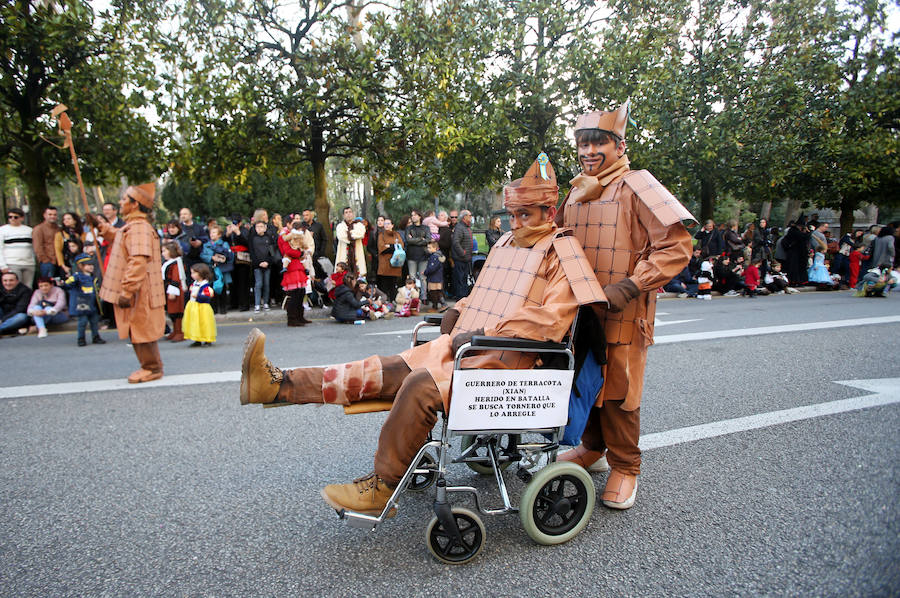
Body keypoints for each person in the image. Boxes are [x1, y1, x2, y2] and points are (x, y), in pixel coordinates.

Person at [238, 155, 606, 515]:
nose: (515, 223)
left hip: (508, 364)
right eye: (512, 215)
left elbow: (549, 322)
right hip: (468, 349)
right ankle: (278, 384)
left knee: (417, 387)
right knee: (382, 370)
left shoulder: (563, 252)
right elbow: (483, 295)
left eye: (524, 215)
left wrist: (482, 331)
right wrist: (458, 310)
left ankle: (382, 485)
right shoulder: (506, 244)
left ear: (550, 213)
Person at [554, 103, 695, 510]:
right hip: (580, 311)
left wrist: (632, 286)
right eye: (583, 143)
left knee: (618, 393)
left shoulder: (638, 185)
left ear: (619, 144)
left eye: (598, 141)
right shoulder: (576, 190)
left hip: (624, 311)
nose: (589, 150)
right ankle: (593, 447)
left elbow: (676, 247)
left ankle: (626, 465)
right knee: (585, 383)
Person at [85, 183, 165, 383]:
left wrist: (127, 291)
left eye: (123, 199)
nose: (120, 203)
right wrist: (99, 225)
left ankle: (152, 368)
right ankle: (150, 367)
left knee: (141, 329)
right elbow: (118, 235)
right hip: (138, 289)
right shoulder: (133, 226)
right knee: (137, 329)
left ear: (135, 204)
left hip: (140, 291)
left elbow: (138, 261)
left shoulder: (139, 228)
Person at [64, 253, 105, 346]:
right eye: (88, 264)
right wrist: (68, 280)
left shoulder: (94, 277)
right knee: (82, 322)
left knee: (94, 322)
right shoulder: (77, 277)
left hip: (92, 304)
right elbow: (67, 285)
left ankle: (96, 336)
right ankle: (81, 338)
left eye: (92, 264)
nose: (91, 267)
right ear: (80, 266)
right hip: (81, 304)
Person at [277, 222, 312, 327]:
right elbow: (287, 250)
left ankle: (300, 316)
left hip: (298, 266)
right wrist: (300, 253)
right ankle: (292, 318)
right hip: (292, 266)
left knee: (301, 293)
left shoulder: (296, 236)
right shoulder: (285, 237)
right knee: (295, 294)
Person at [183, 263, 216, 347]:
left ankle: (207, 339)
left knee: (204, 323)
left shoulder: (205, 285)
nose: (192, 275)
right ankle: (197, 339)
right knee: (195, 323)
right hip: (194, 306)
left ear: (201, 273)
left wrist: (198, 296)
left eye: (194, 273)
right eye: (191, 273)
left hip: (202, 307)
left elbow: (207, 297)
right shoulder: (194, 283)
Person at [1, 207, 35, 287]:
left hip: (29, 263)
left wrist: (33, 261)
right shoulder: (2, 230)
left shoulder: (29, 230)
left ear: (22, 218)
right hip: (12, 263)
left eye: (15, 217)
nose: (12, 219)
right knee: (15, 287)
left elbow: (33, 247)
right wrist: (3, 265)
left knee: (28, 287)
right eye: (10, 217)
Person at [203, 225, 233, 315]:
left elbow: (229, 255)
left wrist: (221, 257)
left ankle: (223, 307)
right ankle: (213, 308)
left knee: (221, 288)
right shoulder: (206, 245)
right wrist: (211, 257)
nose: (212, 234)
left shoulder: (224, 244)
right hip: (210, 268)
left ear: (219, 234)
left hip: (221, 269)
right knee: (211, 288)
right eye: (211, 233)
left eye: (214, 232)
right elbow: (203, 255)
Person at [249, 220, 278, 313]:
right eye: (257, 227)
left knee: (266, 284)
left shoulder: (269, 238)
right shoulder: (253, 238)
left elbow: (272, 253)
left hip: (267, 265)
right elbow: (252, 253)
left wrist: (268, 262)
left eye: (261, 226)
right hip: (257, 265)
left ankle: (266, 302)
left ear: (265, 228)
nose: (259, 229)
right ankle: (257, 304)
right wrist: (258, 263)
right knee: (258, 284)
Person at [161, 241, 187, 342]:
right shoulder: (169, 262)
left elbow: (176, 278)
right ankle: (175, 331)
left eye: (164, 251)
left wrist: (173, 290)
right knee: (171, 312)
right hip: (168, 289)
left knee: (177, 311)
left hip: (175, 291)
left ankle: (179, 332)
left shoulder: (176, 263)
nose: (162, 253)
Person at [224, 214, 252, 312]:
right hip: (232, 258)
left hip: (243, 259)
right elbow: (224, 241)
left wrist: (238, 233)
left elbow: (247, 243)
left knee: (243, 283)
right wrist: (227, 234)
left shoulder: (245, 230)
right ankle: (233, 302)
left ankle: (244, 304)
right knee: (233, 283)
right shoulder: (229, 230)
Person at [335, 207, 367, 277]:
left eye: (350, 212)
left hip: (357, 253)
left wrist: (348, 233)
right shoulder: (340, 226)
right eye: (346, 212)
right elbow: (342, 236)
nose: (348, 214)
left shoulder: (359, 225)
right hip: (344, 254)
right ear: (343, 215)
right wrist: (353, 234)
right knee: (343, 274)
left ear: (353, 214)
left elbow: (360, 234)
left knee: (359, 274)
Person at [376, 217, 403, 300]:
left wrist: (389, 246)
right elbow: (381, 248)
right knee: (384, 285)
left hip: (395, 263)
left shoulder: (397, 234)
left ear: (392, 225)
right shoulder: (381, 235)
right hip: (384, 263)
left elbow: (401, 246)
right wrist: (393, 247)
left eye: (388, 223)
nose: (386, 225)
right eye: (385, 224)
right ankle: (385, 302)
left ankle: (393, 301)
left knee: (393, 284)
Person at [450, 209, 473, 298]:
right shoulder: (460, 227)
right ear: (464, 217)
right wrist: (463, 253)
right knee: (460, 279)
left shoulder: (467, 227)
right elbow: (455, 242)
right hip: (460, 259)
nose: (471, 217)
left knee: (464, 279)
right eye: (470, 216)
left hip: (466, 259)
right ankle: (460, 298)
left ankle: (464, 297)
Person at [404, 210, 429, 291]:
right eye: (412, 215)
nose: (413, 217)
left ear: (419, 216)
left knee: (423, 278)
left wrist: (414, 240)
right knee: (412, 277)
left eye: (415, 215)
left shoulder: (426, 228)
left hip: (424, 255)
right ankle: (413, 297)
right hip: (411, 255)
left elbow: (428, 240)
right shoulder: (408, 228)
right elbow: (408, 240)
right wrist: (421, 239)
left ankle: (424, 297)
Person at [32, 206, 60, 278]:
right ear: (44, 215)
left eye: (54, 215)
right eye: (50, 214)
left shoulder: (58, 228)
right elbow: (37, 247)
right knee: (48, 283)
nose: (52, 216)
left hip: (59, 261)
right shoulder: (39, 229)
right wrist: (45, 260)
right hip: (47, 262)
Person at [422, 240, 446, 311]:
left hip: (434, 278)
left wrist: (425, 272)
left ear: (435, 248)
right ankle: (439, 305)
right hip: (438, 278)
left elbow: (432, 268)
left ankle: (439, 305)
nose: (428, 249)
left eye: (429, 248)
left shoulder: (434, 257)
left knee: (434, 293)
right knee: (437, 292)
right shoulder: (438, 256)